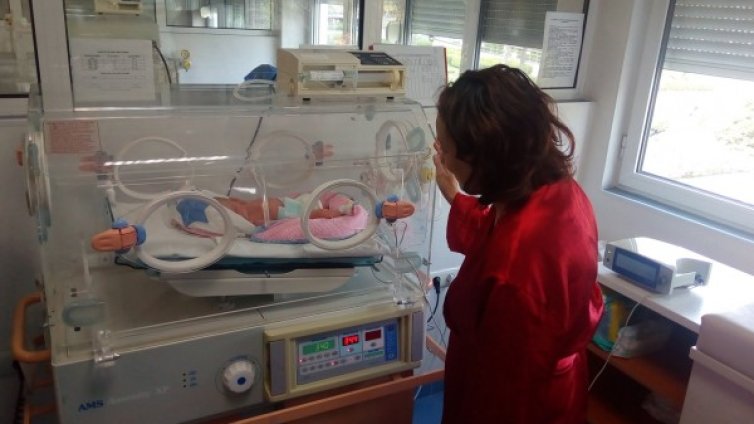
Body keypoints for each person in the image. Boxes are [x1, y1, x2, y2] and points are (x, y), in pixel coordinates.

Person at [432, 64, 604, 423]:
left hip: (515, 401)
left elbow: (506, 396)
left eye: (445, 149)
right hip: (546, 381)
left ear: (485, 157)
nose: (442, 159)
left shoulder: (517, 274)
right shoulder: (556, 191)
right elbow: (494, 234)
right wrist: (454, 193)